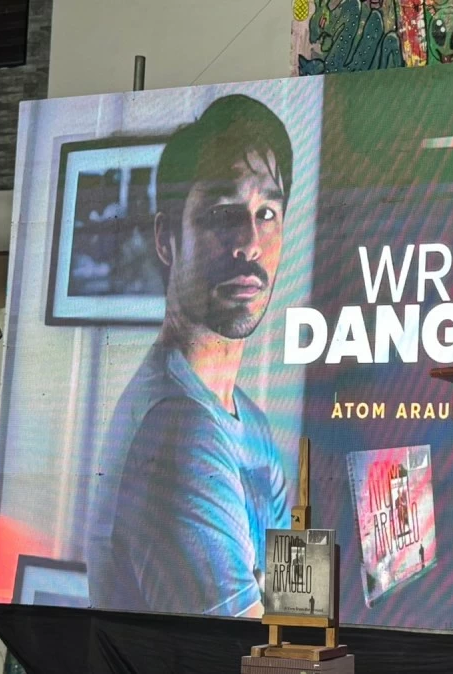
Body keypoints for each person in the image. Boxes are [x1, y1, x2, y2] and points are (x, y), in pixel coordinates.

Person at [86, 94, 294, 618]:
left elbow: (300, 607)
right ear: (166, 239)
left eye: (267, 213)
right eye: (223, 214)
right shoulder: (179, 427)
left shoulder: (251, 421)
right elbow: (260, 651)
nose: (250, 243)